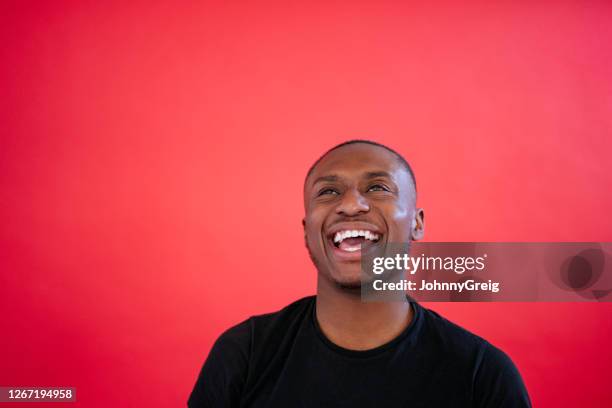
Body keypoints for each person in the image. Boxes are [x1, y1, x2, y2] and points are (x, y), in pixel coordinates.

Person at [188, 140, 531, 407]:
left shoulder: (482, 373)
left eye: (378, 188)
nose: (351, 205)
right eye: (329, 191)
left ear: (417, 223)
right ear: (308, 229)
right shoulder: (244, 355)